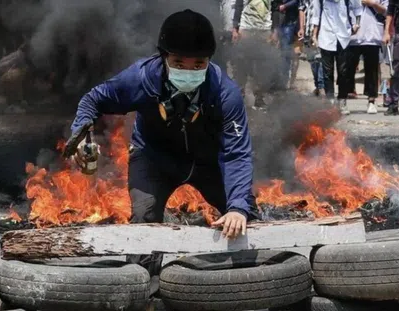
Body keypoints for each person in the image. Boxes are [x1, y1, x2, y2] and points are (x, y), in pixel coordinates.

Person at [64, 10, 258, 250]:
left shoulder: (225, 94)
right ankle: (145, 282)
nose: (188, 72)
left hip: (209, 163)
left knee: (245, 215)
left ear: (209, 60)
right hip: (153, 159)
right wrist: (81, 134)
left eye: (198, 64)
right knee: (143, 228)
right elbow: (93, 101)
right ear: (164, 58)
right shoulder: (139, 78)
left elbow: (236, 154)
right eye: (178, 63)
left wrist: (238, 207)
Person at [311, 0, 363, 115]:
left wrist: (357, 24)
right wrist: (314, 35)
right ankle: (330, 102)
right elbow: (316, 15)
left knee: (344, 72)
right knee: (327, 72)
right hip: (326, 36)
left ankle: (342, 101)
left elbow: (357, 8)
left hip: (343, 36)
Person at [347, 0, 388, 114]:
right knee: (346, 69)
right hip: (352, 36)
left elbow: (386, 11)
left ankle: (371, 101)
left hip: (372, 35)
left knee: (372, 71)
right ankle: (343, 99)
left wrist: (373, 4)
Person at [233, 0, 274, 108]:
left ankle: (259, 98)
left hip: (264, 30)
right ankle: (239, 97)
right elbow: (239, 5)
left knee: (262, 66)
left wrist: (275, 31)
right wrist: (235, 28)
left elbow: (275, 7)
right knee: (242, 65)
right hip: (246, 28)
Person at [298, 0, 325, 96]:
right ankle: (318, 85)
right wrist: (301, 28)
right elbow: (301, 9)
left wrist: (315, 34)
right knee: (312, 60)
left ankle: (322, 87)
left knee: (320, 59)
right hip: (307, 31)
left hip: (321, 31)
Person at [272, 0, 300, 87]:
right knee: (275, 50)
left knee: (286, 52)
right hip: (276, 18)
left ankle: (284, 81)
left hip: (289, 21)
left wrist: (285, 5)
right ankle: (276, 79)